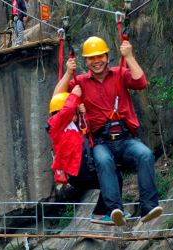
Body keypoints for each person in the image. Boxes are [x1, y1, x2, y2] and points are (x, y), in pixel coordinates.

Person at [53, 36, 163, 226]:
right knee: (104, 161)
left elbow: (141, 82)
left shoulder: (120, 74)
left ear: (107, 56)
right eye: (91, 58)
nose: (96, 61)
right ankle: (114, 210)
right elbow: (57, 97)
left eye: (100, 57)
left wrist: (129, 56)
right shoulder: (80, 82)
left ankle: (148, 207)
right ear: (85, 61)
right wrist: (68, 74)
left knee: (145, 154)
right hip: (100, 140)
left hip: (125, 138)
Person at [47, 87, 128, 225]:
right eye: (74, 112)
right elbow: (64, 112)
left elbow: (88, 136)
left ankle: (101, 212)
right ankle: (107, 210)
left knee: (114, 177)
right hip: (76, 173)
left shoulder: (74, 127)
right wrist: (74, 96)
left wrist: (83, 114)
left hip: (85, 169)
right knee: (109, 177)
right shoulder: (55, 126)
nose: (75, 114)